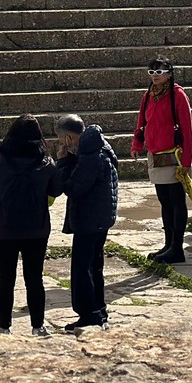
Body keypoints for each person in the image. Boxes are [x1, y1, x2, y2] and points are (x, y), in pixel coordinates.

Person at [0, 115, 63, 337]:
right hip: (36, 228)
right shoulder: (46, 163)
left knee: (5, 279)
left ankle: (3, 327)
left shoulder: (0, 159)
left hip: (5, 227)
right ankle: (38, 326)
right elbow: (55, 190)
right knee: (34, 279)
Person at [55, 113, 118, 331]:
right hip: (101, 216)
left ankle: (89, 313)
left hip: (90, 218)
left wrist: (62, 163)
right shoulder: (98, 146)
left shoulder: (90, 157)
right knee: (94, 265)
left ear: (70, 138)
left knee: (83, 268)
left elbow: (74, 187)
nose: (61, 144)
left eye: (62, 140)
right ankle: (98, 309)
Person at [130, 55, 192, 263]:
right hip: (155, 154)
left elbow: (187, 128)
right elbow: (142, 121)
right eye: (151, 72)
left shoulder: (178, 95)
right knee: (164, 201)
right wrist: (137, 144)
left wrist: (186, 161)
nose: (155, 76)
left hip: (173, 155)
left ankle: (177, 247)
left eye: (159, 71)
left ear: (169, 73)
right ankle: (168, 244)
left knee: (176, 201)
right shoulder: (148, 95)